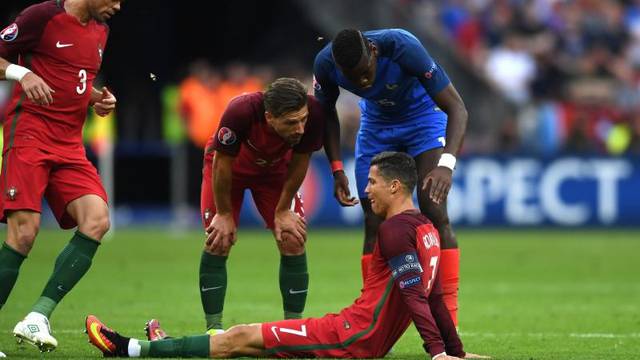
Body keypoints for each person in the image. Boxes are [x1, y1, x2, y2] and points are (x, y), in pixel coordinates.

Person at [85, 152, 487, 359]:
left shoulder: (395, 230)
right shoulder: (427, 231)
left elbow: (417, 297)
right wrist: (453, 349)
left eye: (373, 182)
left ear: (396, 186)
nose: (367, 190)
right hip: (357, 335)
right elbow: (432, 297)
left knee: (241, 336)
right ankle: (167, 346)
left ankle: (129, 349)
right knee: (247, 346)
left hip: (352, 336)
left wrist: (437, 353)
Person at [313, 28, 468, 326]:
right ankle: (372, 320)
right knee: (373, 219)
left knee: (433, 207)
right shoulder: (326, 63)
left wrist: (446, 164)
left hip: (422, 117)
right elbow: (325, 114)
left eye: (365, 72)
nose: (362, 81)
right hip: (376, 126)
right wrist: (336, 169)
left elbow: (457, 108)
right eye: (353, 77)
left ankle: (449, 324)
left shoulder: (403, 46)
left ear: (373, 50)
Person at [0, 0, 122, 353]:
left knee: (97, 220)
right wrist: (22, 73)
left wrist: (96, 99)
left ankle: (38, 316)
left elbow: (73, 83)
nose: (117, 5)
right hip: (30, 136)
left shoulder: (101, 30)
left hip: (70, 145)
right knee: (24, 234)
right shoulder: (42, 17)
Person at [197, 78, 325, 333]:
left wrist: (283, 210)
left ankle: (292, 329)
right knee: (219, 239)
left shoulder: (313, 113)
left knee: (292, 237)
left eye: (302, 120)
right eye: (291, 123)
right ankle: (214, 329)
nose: (300, 128)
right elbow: (222, 163)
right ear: (269, 117)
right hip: (228, 171)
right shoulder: (241, 111)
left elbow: (300, 162)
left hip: (274, 172)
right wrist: (223, 214)